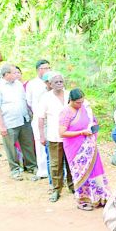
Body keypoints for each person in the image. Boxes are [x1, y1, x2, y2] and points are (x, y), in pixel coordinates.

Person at [59, 88, 110, 211]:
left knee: (96, 170)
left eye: (82, 102)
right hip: (75, 148)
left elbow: (92, 122)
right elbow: (62, 133)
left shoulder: (84, 109)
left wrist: (91, 129)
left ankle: (100, 197)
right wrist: (81, 132)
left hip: (89, 146)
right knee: (80, 173)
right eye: (78, 102)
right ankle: (83, 200)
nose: (80, 105)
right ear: (71, 100)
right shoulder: (66, 112)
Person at [0, 64, 38, 181]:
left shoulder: (18, 84)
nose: (17, 74)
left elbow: (24, 100)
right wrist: (2, 125)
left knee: (28, 144)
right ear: (6, 74)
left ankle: (31, 166)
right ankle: (15, 170)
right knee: (10, 147)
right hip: (9, 122)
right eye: (14, 72)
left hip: (23, 119)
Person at [37, 71, 73, 202]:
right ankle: (56, 189)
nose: (59, 84)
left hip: (70, 136)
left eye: (61, 81)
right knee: (55, 164)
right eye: (56, 82)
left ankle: (72, 186)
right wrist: (42, 135)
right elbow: (40, 118)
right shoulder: (46, 98)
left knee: (71, 162)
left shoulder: (70, 95)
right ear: (50, 84)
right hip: (54, 136)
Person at [26, 59, 52, 179]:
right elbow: (29, 102)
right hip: (38, 117)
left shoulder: (53, 81)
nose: (47, 70)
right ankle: (42, 171)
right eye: (44, 68)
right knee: (40, 143)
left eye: (48, 68)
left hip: (52, 118)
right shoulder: (32, 84)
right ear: (38, 70)